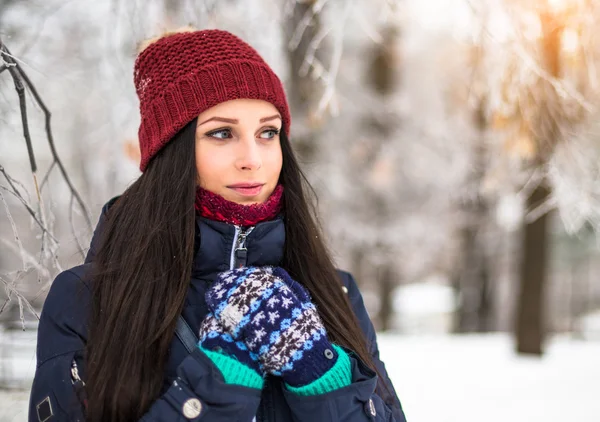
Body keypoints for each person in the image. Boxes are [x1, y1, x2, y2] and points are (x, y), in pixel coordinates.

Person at [28, 27, 407, 422]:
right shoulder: (88, 298)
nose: (252, 158)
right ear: (171, 151)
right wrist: (218, 380)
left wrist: (321, 376)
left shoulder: (336, 291)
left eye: (268, 132)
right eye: (222, 133)